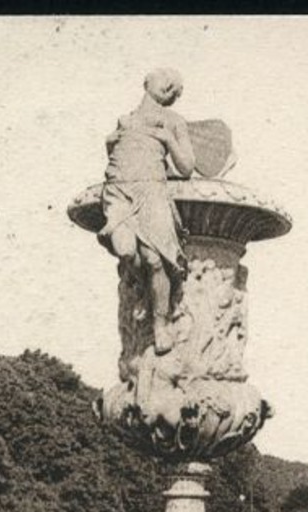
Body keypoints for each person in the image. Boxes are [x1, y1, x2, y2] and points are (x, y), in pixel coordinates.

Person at [99, 69, 197, 355]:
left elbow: (187, 167)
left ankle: (160, 321)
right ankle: (143, 292)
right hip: (120, 191)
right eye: (165, 79)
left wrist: (167, 139)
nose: (169, 85)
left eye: (176, 86)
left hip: (152, 192)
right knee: (127, 251)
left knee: (155, 259)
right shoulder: (124, 120)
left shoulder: (174, 122)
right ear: (146, 82)